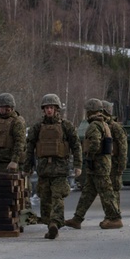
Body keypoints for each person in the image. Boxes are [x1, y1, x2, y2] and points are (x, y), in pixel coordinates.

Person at [25, 94, 82, 239]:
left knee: (57, 198)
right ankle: (50, 223)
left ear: (56, 109)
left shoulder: (66, 126)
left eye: (51, 107)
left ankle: (55, 223)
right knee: (45, 199)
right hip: (44, 170)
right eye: (46, 108)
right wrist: (27, 166)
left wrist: (78, 165)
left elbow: (76, 146)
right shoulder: (37, 127)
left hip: (60, 169)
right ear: (43, 110)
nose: (49, 110)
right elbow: (29, 147)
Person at [65, 99, 120, 230]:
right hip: (99, 165)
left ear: (89, 111)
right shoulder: (103, 123)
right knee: (88, 193)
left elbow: (95, 143)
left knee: (106, 193)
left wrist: (89, 156)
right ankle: (77, 218)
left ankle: (115, 218)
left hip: (99, 165)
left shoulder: (95, 125)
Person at [102, 99, 128, 226]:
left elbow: (123, 147)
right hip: (105, 163)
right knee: (107, 191)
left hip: (115, 163)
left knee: (114, 190)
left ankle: (115, 216)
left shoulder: (116, 127)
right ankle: (110, 215)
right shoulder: (101, 126)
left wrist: (121, 166)